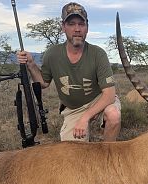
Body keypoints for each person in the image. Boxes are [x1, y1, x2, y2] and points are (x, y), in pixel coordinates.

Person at [17, 2, 121, 142]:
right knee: (71, 150)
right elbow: (43, 83)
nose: (77, 29)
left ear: (87, 27)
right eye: (71, 24)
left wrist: (85, 118)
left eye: (81, 24)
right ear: (63, 27)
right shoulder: (52, 54)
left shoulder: (98, 54)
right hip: (74, 109)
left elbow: (109, 96)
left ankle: (108, 155)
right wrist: (31, 64)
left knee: (113, 114)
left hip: (98, 101)